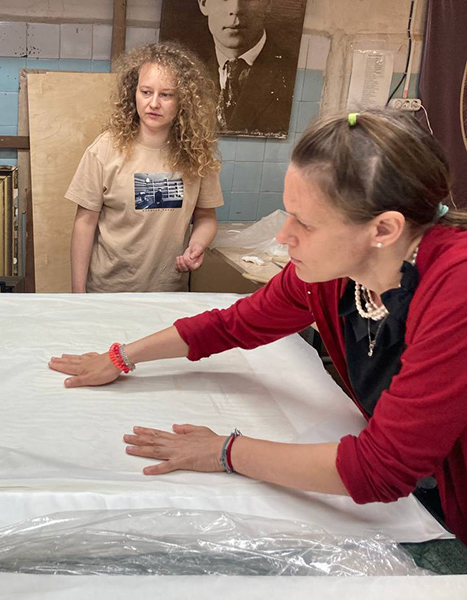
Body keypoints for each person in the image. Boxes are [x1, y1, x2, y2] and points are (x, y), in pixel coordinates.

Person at [50, 109, 467, 543]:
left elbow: (378, 469)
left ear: (383, 229)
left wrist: (225, 451)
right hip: (428, 490)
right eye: (289, 213)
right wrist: (121, 356)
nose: (284, 235)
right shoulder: (334, 275)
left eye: (305, 223)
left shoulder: (456, 288)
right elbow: (232, 324)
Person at [67, 42, 223, 293]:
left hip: (169, 291)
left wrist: (198, 244)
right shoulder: (105, 149)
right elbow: (84, 223)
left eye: (166, 95)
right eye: (146, 92)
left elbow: (206, 217)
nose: (154, 103)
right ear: (134, 93)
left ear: (183, 100)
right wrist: (78, 293)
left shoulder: (197, 154)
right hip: (109, 291)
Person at [198, 0, 295, 134]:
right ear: (203, 3)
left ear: (268, 3)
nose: (235, 9)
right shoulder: (186, 72)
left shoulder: (293, 74)